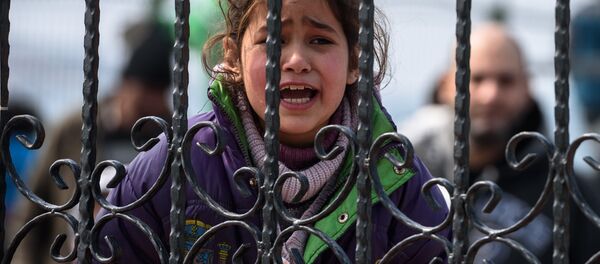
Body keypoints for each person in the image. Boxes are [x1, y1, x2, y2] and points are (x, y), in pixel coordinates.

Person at [96, 0, 451, 263]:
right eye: (272, 40)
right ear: (233, 58)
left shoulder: (395, 179)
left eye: (320, 41)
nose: (295, 60)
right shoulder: (175, 163)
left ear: (355, 62)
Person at [400, 22, 600, 263]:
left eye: (506, 81)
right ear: (445, 85)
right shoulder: (404, 171)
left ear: (527, 87)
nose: (491, 94)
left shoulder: (568, 191)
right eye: (477, 78)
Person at [9, 21, 173, 264]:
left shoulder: (168, 137)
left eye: (155, 103)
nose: (145, 115)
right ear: (124, 86)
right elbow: (31, 211)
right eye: (140, 104)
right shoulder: (75, 127)